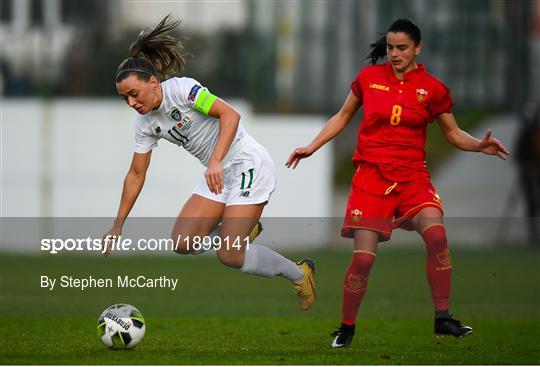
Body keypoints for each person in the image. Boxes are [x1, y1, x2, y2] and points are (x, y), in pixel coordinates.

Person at [286, 18, 509, 347]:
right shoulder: (368, 79)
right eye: (390, 47)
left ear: (418, 48)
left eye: (402, 48)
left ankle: (443, 319)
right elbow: (343, 115)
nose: (394, 53)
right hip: (371, 179)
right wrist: (312, 146)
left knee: (437, 236)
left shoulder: (433, 89)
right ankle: (347, 327)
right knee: (362, 259)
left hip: (412, 178)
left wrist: (478, 145)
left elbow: (452, 133)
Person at [102, 15, 315, 311]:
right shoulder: (144, 124)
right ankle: (237, 229)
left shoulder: (183, 90)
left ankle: (299, 273)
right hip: (218, 174)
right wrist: (117, 225)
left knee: (229, 255)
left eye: (134, 94)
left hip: (247, 164)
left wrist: (215, 160)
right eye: (124, 98)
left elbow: (230, 115)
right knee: (182, 243)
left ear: (153, 82)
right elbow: (136, 174)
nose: (131, 103)